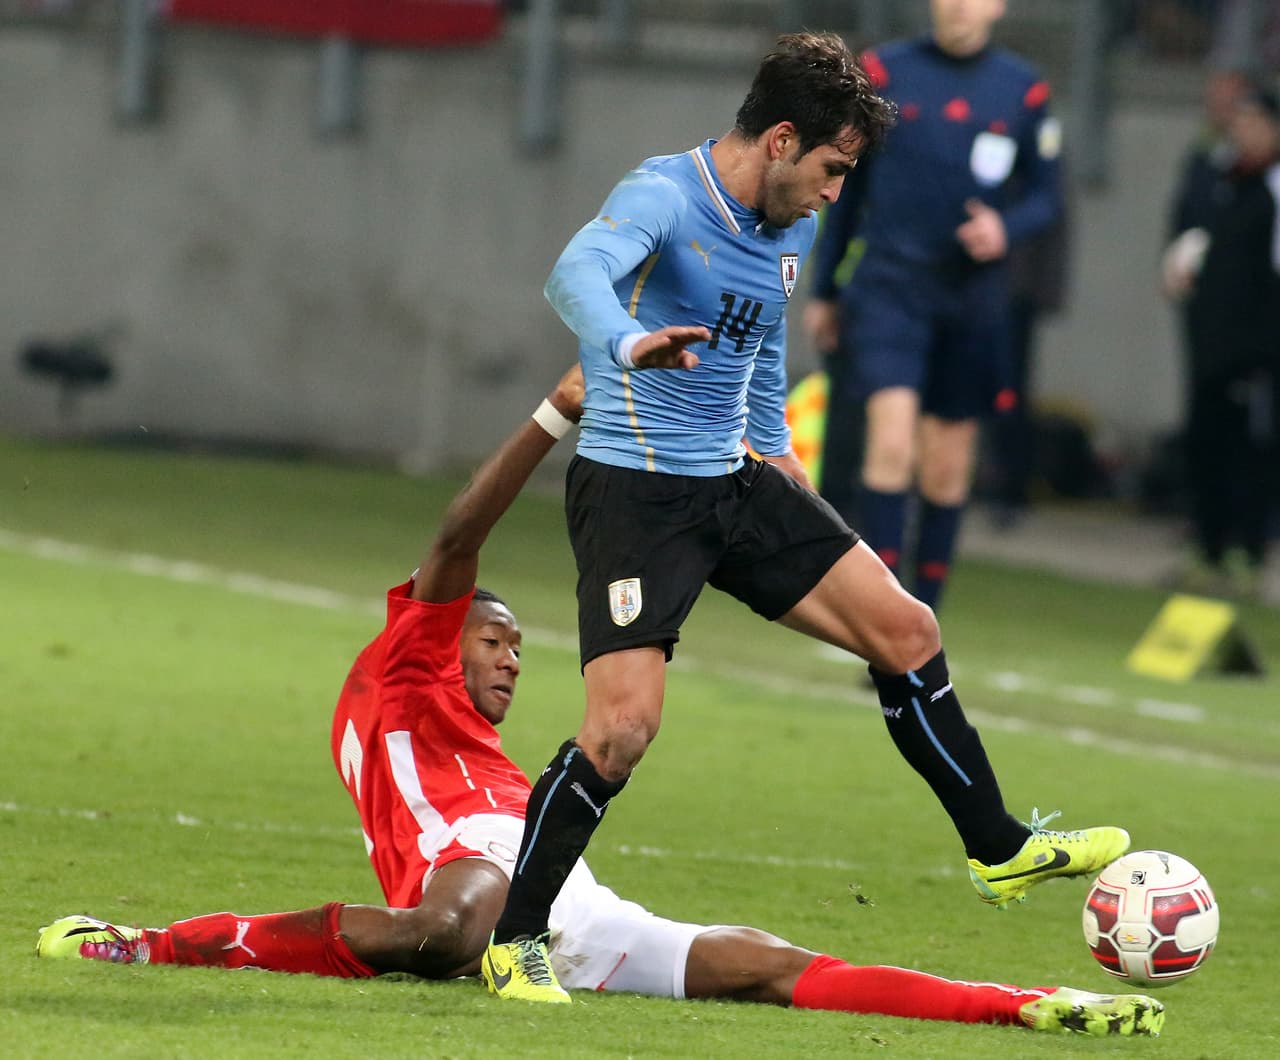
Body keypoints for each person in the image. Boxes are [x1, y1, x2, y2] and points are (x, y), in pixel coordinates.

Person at [34, 366, 1166, 1036]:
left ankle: (1022, 1003)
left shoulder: (488, 749)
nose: (511, 659)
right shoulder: (405, 667)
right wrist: (551, 414)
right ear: (440, 633)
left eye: (518, 649)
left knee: (764, 966)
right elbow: (455, 535)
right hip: (470, 873)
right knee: (446, 928)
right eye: (495, 638)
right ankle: (151, 945)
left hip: (555, 886)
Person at [482, 30, 1125, 1005]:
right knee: (621, 732)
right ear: (780, 140)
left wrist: (781, 457)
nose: (834, 193)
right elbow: (574, 274)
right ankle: (513, 941)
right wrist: (625, 343)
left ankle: (997, 849)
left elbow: (761, 346)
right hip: (636, 491)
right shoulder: (664, 194)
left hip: (738, 478)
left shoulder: (792, 224)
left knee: (907, 630)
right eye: (831, 169)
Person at [802, 0, 1064, 609]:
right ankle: (883, 612)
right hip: (891, 286)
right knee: (892, 443)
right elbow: (847, 185)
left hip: (973, 297)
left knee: (946, 465)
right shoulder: (882, 71)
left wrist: (1003, 228)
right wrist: (825, 290)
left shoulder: (1023, 89)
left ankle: (925, 618)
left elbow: (1046, 196)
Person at [1162, 79, 1280, 596]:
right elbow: (1192, 240)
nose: (1245, 131)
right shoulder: (1217, 177)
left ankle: (1247, 556)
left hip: (1259, 350)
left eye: (1256, 122)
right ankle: (1207, 551)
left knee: (1251, 451)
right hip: (1210, 341)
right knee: (1206, 444)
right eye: (1241, 121)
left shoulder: (1272, 189)